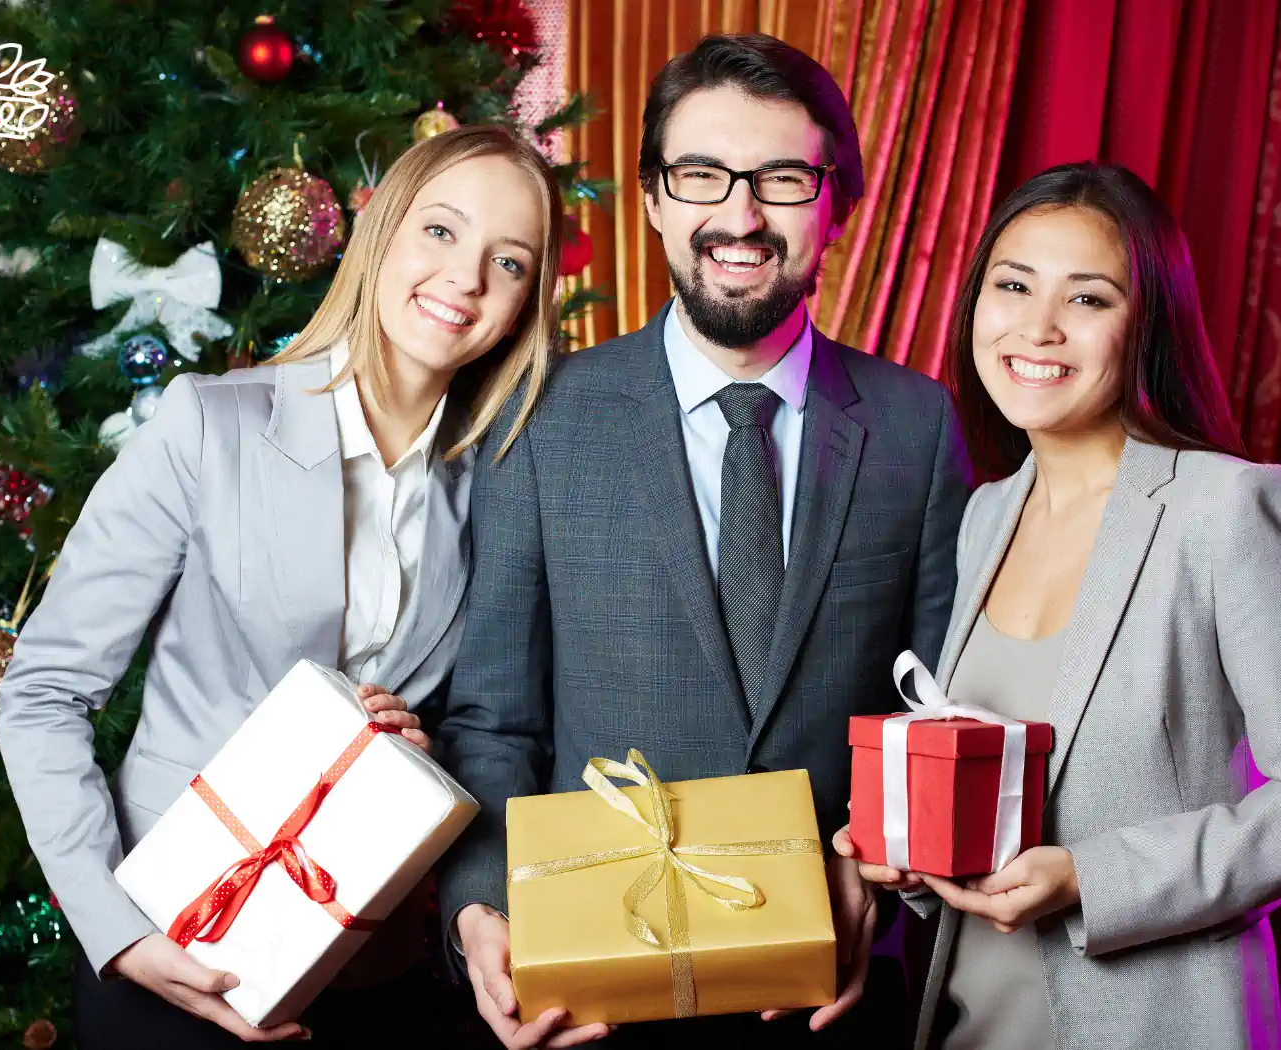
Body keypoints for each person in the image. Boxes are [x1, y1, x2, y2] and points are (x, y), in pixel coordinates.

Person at [437, 33, 971, 1050]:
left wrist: (878, 874)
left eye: (779, 179)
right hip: (588, 996)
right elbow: (493, 720)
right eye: (699, 176)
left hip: (830, 998)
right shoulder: (540, 420)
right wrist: (476, 909)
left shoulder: (917, 425)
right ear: (649, 198)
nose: (738, 216)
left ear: (836, 204)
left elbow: (934, 717)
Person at [0, 124, 563, 1049]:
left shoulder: (496, 485)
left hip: (371, 970)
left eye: (510, 261)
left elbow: (489, 724)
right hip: (173, 947)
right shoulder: (206, 426)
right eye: (442, 231)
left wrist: (416, 748)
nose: (466, 278)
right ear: (381, 235)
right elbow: (43, 692)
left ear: (527, 302)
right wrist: (117, 930)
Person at [834, 162, 1281, 1050]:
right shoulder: (988, 512)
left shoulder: (1224, 509)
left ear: (1144, 324)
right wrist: (910, 853)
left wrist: (1093, 877)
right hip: (970, 1015)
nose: (1036, 327)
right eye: (1012, 285)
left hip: (1160, 1024)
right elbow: (999, 796)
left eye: (1087, 299)